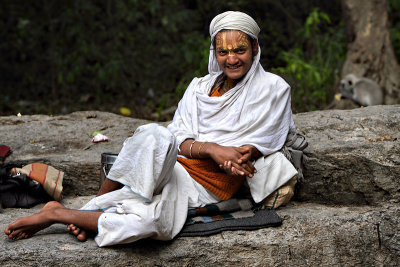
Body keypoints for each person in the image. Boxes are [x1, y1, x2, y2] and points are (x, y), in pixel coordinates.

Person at [4, 11, 297, 247]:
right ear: (215, 52)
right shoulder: (199, 88)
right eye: (223, 51)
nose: (231, 59)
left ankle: (63, 214)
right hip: (172, 166)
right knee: (154, 134)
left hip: (204, 187)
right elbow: (179, 138)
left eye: (240, 50)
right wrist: (212, 148)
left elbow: (264, 139)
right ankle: (86, 214)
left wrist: (236, 156)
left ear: (255, 48)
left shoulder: (273, 89)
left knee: (154, 223)